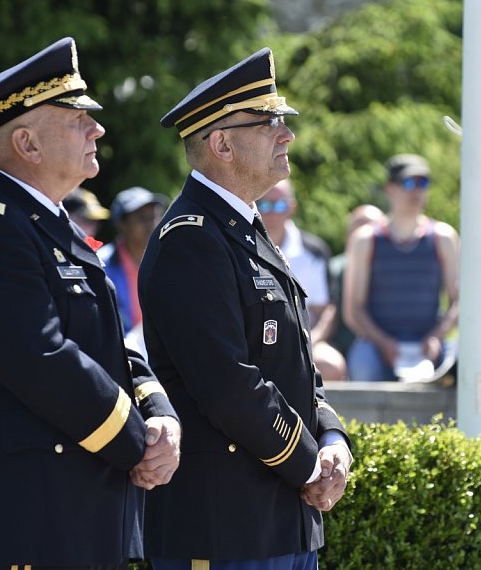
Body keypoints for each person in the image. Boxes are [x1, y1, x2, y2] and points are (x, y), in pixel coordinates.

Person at [0, 37, 180, 569]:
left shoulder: (53, 226)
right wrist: (138, 443)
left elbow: (110, 346)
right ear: (27, 142)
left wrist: (159, 412)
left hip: (90, 512)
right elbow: (44, 360)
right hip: (39, 522)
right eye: (76, 118)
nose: (98, 128)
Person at [137, 47, 352, 569]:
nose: (286, 134)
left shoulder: (246, 230)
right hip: (225, 529)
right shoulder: (192, 238)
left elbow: (296, 364)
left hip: (283, 523)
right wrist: (309, 465)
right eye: (268, 122)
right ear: (222, 144)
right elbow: (229, 385)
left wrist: (333, 438)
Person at [343, 154, 460, 382]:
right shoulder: (365, 239)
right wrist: (383, 343)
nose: (416, 190)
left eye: (422, 183)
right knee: (363, 366)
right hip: (376, 346)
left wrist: (436, 337)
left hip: (430, 345)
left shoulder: (443, 237)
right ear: (390, 189)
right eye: (408, 182)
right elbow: (354, 310)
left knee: (464, 365)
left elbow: (458, 301)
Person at [256, 179, 345, 380]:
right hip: (256, 342)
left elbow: (326, 311)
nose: (271, 212)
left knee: (332, 365)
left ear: (291, 208)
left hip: (306, 342)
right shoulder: (241, 244)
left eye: (279, 205)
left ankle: (320, 412)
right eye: (264, 204)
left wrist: (308, 343)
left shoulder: (313, 252)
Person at [98, 186, 169, 334]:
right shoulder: (101, 264)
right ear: (121, 224)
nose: (152, 225)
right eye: (142, 218)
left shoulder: (169, 261)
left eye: (155, 217)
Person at [326, 204, 386, 371]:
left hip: (385, 350)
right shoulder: (334, 269)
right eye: (358, 228)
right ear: (347, 237)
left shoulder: (392, 272)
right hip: (340, 350)